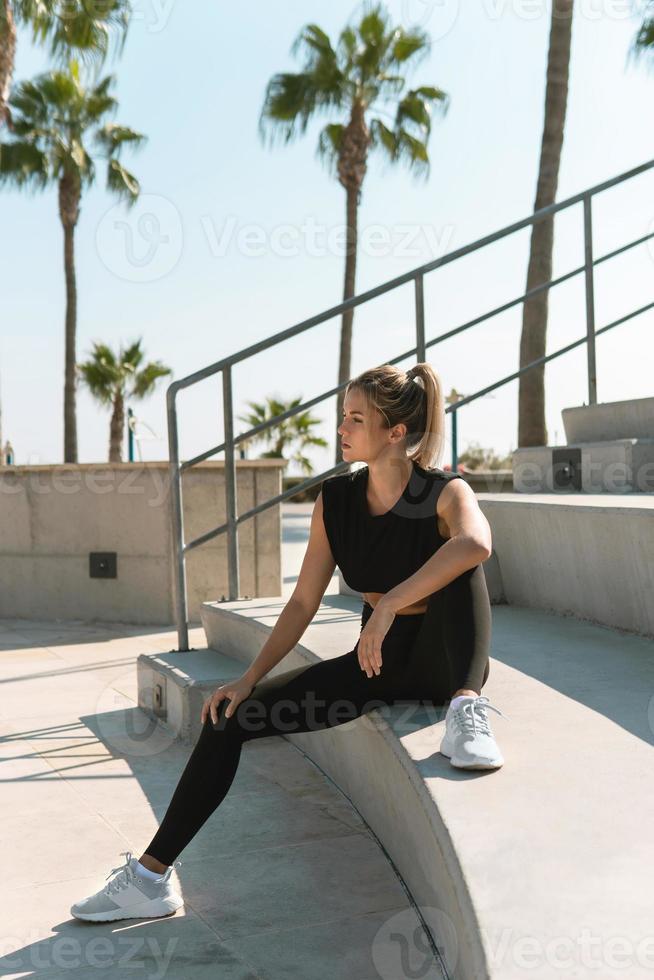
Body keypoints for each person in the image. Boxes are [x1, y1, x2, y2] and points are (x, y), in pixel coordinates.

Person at [70, 361, 506, 923]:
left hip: (447, 659)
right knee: (229, 719)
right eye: (341, 416)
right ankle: (151, 879)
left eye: (355, 418)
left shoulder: (445, 491)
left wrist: (390, 602)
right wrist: (248, 680)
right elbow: (302, 602)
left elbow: (477, 541)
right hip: (379, 665)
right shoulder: (337, 499)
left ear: (396, 432)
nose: (341, 428)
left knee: (463, 559)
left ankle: (467, 708)